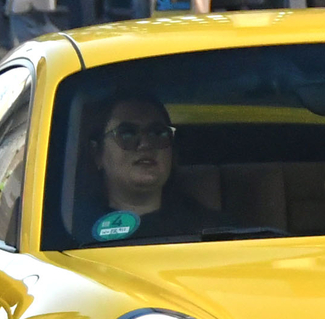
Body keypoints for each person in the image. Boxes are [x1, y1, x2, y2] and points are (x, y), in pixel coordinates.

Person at [86, 91, 228, 242]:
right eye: (127, 134)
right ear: (97, 154)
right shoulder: (73, 231)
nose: (145, 145)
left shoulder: (213, 231)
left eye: (158, 133)